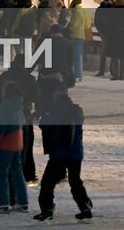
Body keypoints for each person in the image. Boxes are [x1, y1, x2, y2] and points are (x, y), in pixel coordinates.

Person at [34, 88, 92, 222]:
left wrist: (46, 112)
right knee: (75, 181)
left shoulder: (54, 111)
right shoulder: (77, 111)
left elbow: (43, 125)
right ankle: (84, 206)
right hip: (76, 152)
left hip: (59, 153)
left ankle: (47, 209)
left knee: (47, 183)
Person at [0, 80, 28, 214]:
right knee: (17, 172)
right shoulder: (19, 105)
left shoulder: (6, 106)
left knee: (2, 173)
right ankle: (22, 201)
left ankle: (2, 201)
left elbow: (2, 126)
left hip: (7, 142)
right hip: (18, 141)